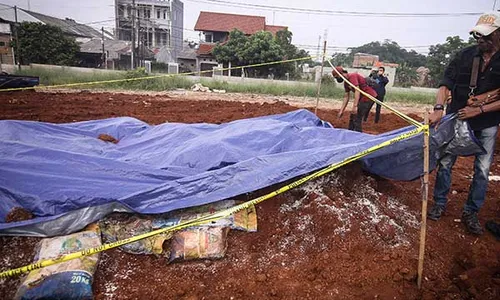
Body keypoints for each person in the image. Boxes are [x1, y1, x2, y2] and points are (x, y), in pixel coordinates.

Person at [427, 12, 500, 235]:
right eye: (478, 34)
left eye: (486, 35)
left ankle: (471, 211)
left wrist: (478, 109)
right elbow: (444, 83)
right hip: (456, 119)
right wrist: (439, 109)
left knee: (482, 169)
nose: (481, 39)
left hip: (487, 122)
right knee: (446, 161)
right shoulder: (464, 56)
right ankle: (439, 203)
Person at [332, 66, 377, 132]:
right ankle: (350, 132)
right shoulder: (346, 83)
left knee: (357, 117)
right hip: (362, 98)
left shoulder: (352, 76)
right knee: (353, 115)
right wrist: (342, 110)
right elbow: (346, 96)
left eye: (337, 77)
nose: (337, 79)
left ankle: (358, 134)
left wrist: (355, 106)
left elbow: (357, 90)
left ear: (341, 74)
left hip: (368, 96)